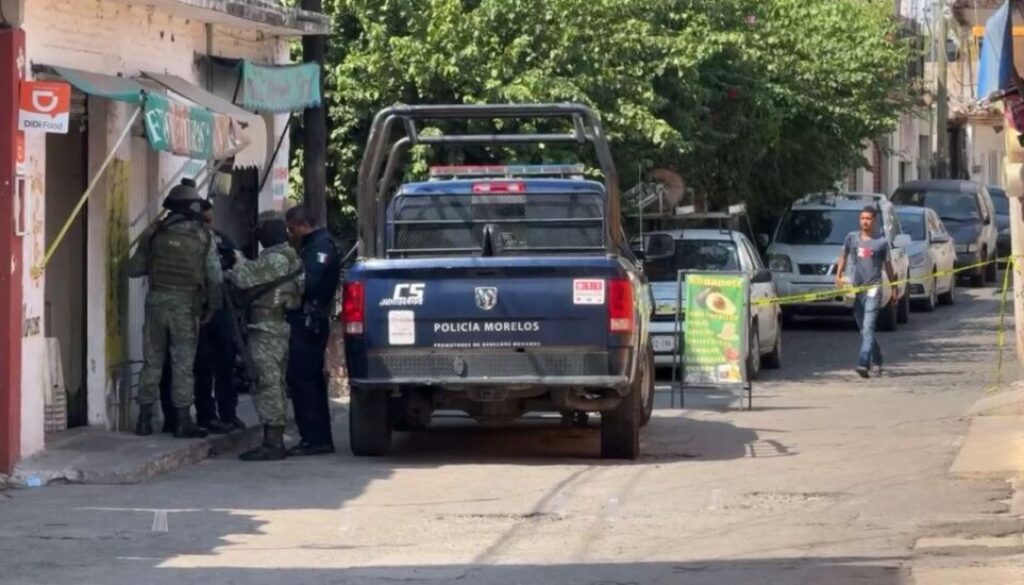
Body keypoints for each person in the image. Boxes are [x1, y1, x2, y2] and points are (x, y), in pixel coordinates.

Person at [128, 178, 223, 438]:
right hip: (185, 306)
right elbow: (215, 278)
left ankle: (144, 421)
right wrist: (212, 308)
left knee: (152, 362)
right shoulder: (204, 237)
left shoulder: (154, 232)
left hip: (156, 302)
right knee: (183, 363)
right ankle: (183, 421)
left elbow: (134, 269)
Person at [158, 203, 244, 434]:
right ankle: (183, 416)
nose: (208, 225)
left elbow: (236, 268)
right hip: (190, 309)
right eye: (204, 221)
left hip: (217, 310)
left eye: (209, 221)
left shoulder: (221, 241)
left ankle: (224, 414)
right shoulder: (180, 241)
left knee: (224, 364)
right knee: (188, 365)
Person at [226, 211, 304, 461]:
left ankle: (273, 443)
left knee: (266, 383)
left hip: (267, 328)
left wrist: (236, 263)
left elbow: (242, 278)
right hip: (276, 325)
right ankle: (274, 438)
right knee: (274, 384)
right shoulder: (289, 257)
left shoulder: (277, 260)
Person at [284, 204, 342, 456]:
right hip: (311, 320)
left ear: (303, 224)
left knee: (304, 380)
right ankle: (317, 437)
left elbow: (310, 282)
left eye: (292, 228)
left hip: (310, 321)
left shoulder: (320, 246)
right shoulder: (314, 244)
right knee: (309, 380)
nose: (291, 233)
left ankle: (314, 438)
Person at [835, 206, 899, 379]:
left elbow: (888, 266)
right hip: (856, 289)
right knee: (864, 330)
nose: (865, 221)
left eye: (868, 218)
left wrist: (894, 288)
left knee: (869, 326)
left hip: (874, 288)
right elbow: (844, 255)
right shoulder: (852, 238)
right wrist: (839, 274)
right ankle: (877, 359)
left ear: (874, 220)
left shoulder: (882, 242)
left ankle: (864, 363)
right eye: (862, 218)